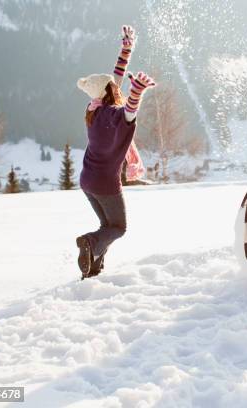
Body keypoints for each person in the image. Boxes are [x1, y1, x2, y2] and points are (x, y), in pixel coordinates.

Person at [75, 25, 156, 278]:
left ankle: (93, 269)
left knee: (106, 227)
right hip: (105, 184)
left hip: (86, 180)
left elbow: (116, 79)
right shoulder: (115, 117)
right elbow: (130, 111)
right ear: (112, 91)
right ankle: (88, 243)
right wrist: (138, 91)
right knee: (119, 227)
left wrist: (126, 49)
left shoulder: (95, 110)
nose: (115, 84)